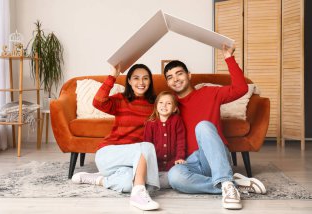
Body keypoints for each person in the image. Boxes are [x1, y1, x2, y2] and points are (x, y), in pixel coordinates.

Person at [163, 45, 267, 210]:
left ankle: (225, 180)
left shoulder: (209, 92)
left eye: (179, 73)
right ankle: (231, 185)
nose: (175, 79)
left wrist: (228, 57)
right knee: (174, 177)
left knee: (203, 126)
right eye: (170, 77)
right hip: (191, 162)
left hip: (214, 157)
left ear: (189, 75)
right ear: (167, 83)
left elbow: (241, 89)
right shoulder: (169, 105)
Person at [71, 64, 160, 211]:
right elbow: (98, 102)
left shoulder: (155, 104)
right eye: (136, 78)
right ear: (129, 81)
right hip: (109, 153)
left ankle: (98, 179)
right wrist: (113, 75)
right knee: (146, 147)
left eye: (145, 78)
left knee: (126, 184)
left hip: (132, 161)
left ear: (150, 81)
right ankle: (138, 194)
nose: (141, 82)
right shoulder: (121, 100)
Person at [143, 91, 186, 188]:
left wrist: (180, 157)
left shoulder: (177, 120)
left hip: (172, 166)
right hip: (155, 166)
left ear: (174, 108)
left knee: (172, 179)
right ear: (156, 106)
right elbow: (147, 145)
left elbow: (181, 141)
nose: (164, 105)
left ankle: (163, 182)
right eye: (161, 102)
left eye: (169, 103)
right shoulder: (151, 123)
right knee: (149, 180)